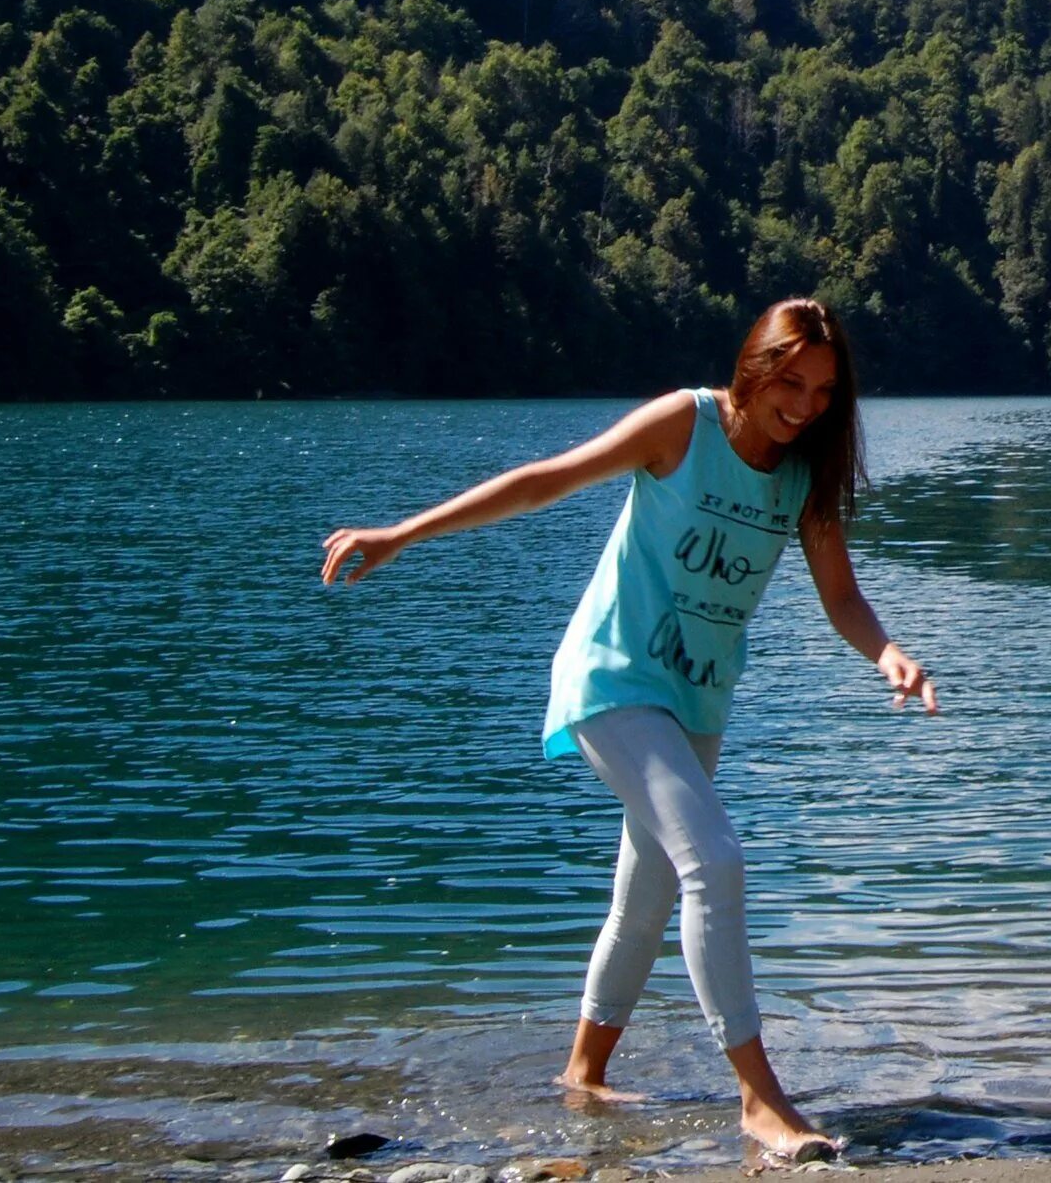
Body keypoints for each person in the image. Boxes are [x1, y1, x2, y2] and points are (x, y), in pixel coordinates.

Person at [320, 298, 935, 1165]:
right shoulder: (683, 424)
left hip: (696, 700)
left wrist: (889, 654)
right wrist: (404, 534)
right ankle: (760, 1100)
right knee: (714, 860)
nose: (804, 404)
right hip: (613, 676)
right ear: (753, 367)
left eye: (823, 390)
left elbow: (841, 597)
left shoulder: (803, 475)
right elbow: (547, 478)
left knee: (645, 900)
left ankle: (584, 1074)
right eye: (789, 382)